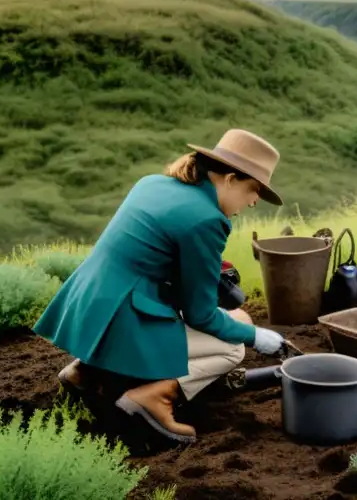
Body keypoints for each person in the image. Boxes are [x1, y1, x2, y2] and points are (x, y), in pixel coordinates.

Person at [33, 129, 289, 444]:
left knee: (236, 319)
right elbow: (201, 315)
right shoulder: (208, 220)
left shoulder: (152, 183)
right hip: (124, 318)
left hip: (88, 305)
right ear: (231, 178)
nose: (252, 203)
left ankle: (87, 372)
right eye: (254, 191)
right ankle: (155, 398)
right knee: (232, 348)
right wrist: (256, 337)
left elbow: (153, 266)